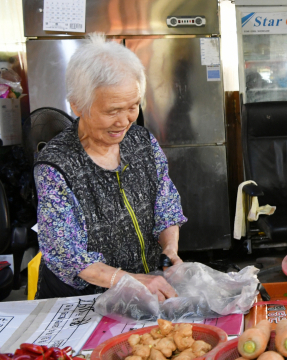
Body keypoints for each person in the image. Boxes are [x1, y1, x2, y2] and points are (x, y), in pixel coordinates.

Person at [34, 34, 187, 300]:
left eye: (132, 107)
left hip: (143, 291)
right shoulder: (55, 165)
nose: (124, 121)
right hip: (82, 300)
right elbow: (68, 255)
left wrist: (170, 249)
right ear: (78, 105)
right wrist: (129, 281)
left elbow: (166, 206)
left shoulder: (143, 143)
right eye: (112, 111)